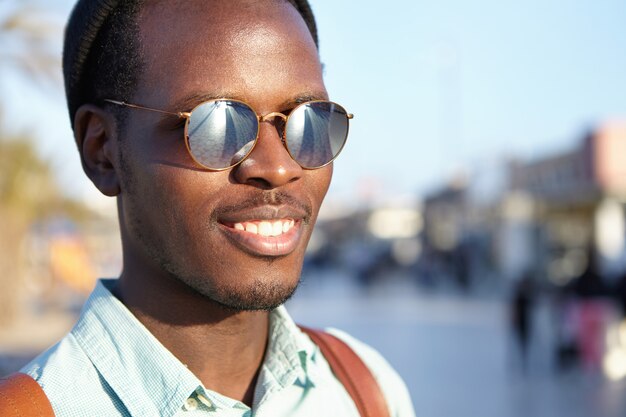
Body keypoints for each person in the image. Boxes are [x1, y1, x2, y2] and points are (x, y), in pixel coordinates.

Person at [17, 1, 416, 416]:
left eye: (309, 121)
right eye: (215, 125)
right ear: (103, 150)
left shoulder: (364, 389)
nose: (279, 167)